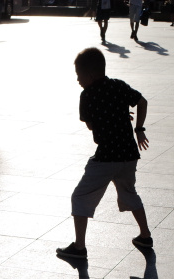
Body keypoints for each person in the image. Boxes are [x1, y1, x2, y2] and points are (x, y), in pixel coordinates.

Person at [58, 47, 152, 260]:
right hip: (128, 155)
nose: (78, 80)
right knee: (129, 193)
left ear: (90, 75)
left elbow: (91, 125)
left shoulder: (87, 95)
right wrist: (138, 128)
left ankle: (79, 247)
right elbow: (142, 102)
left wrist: (108, 116)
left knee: (80, 197)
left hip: (106, 157)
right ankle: (145, 235)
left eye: (79, 75)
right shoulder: (118, 86)